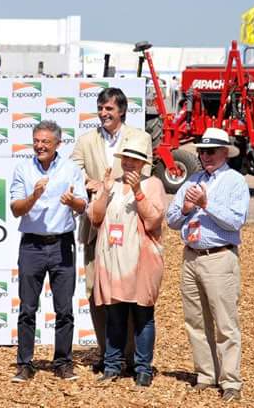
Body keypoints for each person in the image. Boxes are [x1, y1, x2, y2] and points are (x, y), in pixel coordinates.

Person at [71, 87, 152, 372]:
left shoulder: (140, 137)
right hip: (96, 224)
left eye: (109, 108)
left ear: (122, 111)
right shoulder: (86, 140)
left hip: (128, 222)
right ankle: (108, 356)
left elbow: (144, 174)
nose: (103, 113)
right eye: (101, 108)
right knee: (96, 290)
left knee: (128, 289)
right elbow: (73, 172)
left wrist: (112, 187)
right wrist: (91, 184)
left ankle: (130, 357)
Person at [166, 128, 248, 402]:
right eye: (202, 151)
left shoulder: (235, 181)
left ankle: (231, 381)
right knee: (195, 320)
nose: (205, 156)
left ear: (225, 152)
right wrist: (187, 209)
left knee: (225, 323)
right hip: (191, 256)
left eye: (211, 151)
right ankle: (205, 374)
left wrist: (205, 204)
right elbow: (171, 219)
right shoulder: (194, 179)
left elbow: (236, 221)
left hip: (219, 257)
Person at [10, 121, 87, 382]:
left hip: (62, 244)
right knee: (27, 308)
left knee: (64, 309)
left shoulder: (71, 169)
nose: (40, 146)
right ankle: (25, 363)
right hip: (31, 245)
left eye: (45, 141)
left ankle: (63, 362)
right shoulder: (23, 169)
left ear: (58, 144)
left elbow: (83, 206)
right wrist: (34, 196)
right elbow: (15, 209)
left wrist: (73, 201)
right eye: (36, 140)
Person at [88, 137, 166, 387]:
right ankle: (112, 365)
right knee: (114, 313)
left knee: (143, 314)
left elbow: (153, 221)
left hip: (140, 260)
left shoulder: (153, 184)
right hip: (112, 258)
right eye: (126, 158)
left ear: (143, 163)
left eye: (135, 159)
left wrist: (138, 192)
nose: (130, 163)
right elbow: (95, 218)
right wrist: (104, 192)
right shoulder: (111, 183)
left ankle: (143, 368)